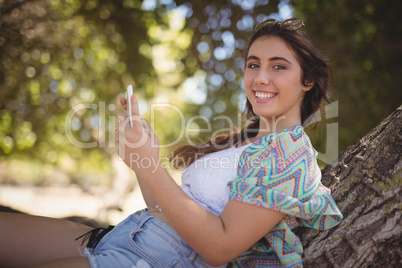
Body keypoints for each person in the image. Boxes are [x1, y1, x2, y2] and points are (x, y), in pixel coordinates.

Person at [0, 17, 342, 268]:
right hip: (130, 233)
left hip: (154, 259)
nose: (260, 77)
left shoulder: (291, 156)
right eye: (253, 64)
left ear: (308, 80)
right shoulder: (246, 142)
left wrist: (149, 166)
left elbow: (220, 247)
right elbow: (172, 207)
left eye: (278, 66)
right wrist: (142, 157)